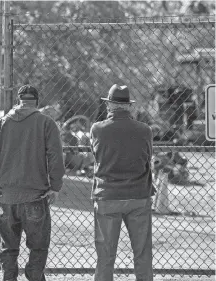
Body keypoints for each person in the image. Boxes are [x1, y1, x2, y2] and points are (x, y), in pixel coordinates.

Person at [0, 84, 65, 281]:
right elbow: (55, 157)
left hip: (6, 196)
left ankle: (9, 277)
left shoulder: (2, 123)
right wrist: (55, 186)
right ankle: (34, 276)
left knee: (8, 246)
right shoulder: (46, 123)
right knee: (38, 245)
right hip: (35, 196)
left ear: (19, 101)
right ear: (36, 101)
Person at [90, 84, 155, 281]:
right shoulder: (145, 130)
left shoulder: (98, 129)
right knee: (142, 253)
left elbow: (97, 155)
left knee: (105, 255)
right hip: (138, 195)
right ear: (129, 106)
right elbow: (147, 157)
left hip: (107, 195)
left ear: (109, 105)